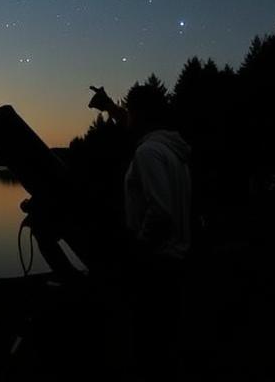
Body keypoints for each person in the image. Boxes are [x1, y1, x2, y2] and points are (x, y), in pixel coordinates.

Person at [89, 83, 192, 380]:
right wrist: (109, 107)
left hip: (155, 268)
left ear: (142, 114)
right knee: (166, 346)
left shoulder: (148, 153)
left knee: (149, 350)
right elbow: (134, 127)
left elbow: (160, 214)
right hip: (176, 265)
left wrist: (137, 253)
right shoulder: (173, 150)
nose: (128, 117)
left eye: (130, 111)